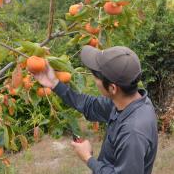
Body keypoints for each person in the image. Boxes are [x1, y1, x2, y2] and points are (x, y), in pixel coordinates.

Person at [33, 45, 158, 174]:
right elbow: (89, 105)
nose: (94, 79)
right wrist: (54, 83)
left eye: (96, 77)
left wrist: (88, 158)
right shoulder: (127, 101)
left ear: (112, 88)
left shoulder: (133, 132)